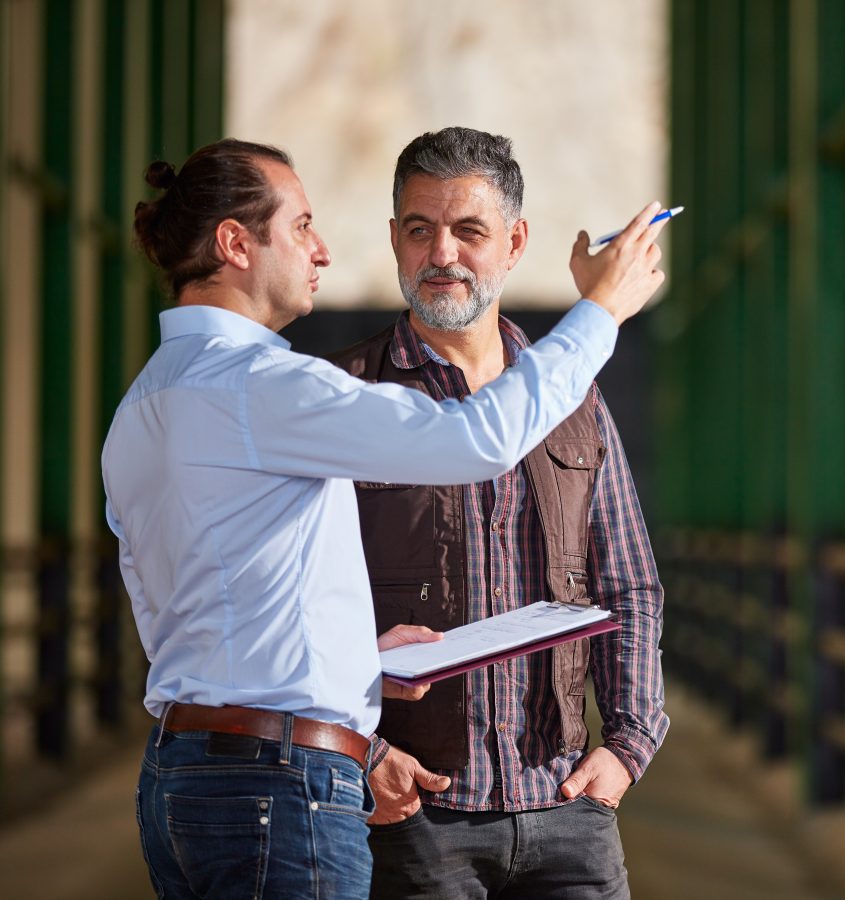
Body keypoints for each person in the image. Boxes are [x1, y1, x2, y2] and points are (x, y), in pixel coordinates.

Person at [101, 137, 667, 899]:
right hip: (289, 788)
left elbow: (210, 613)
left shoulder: (144, 403)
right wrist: (601, 310)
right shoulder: (274, 389)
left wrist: (356, 659)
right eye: (301, 226)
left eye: (468, 229)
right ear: (235, 243)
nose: (322, 250)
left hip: (190, 775)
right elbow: (480, 439)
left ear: (513, 242)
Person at [329, 127, 668, 899]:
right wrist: (362, 750)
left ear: (515, 243)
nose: (442, 252)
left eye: (468, 231)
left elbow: (631, 587)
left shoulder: (573, 397)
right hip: (413, 810)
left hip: (569, 809)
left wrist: (628, 745)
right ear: (393, 240)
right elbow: (292, 601)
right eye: (420, 230)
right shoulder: (342, 398)